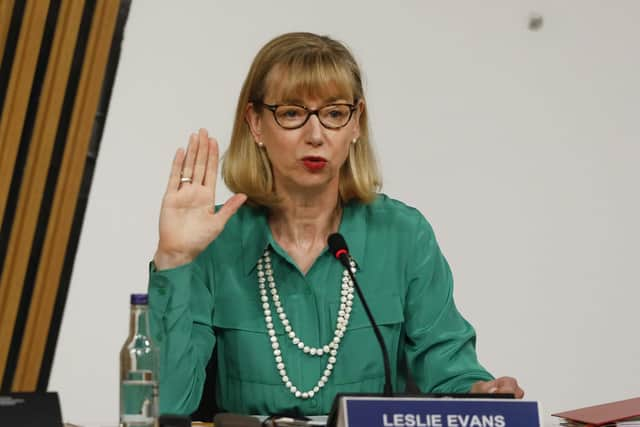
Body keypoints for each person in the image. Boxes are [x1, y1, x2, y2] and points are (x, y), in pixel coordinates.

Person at [147, 32, 524, 417]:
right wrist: (174, 259)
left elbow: (450, 376)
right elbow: (169, 407)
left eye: (334, 113)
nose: (316, 135)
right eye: (292, 113)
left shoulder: (403, 236)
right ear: (256, 124)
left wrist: (483, 391)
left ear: (355, 124)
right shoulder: (214, 240)